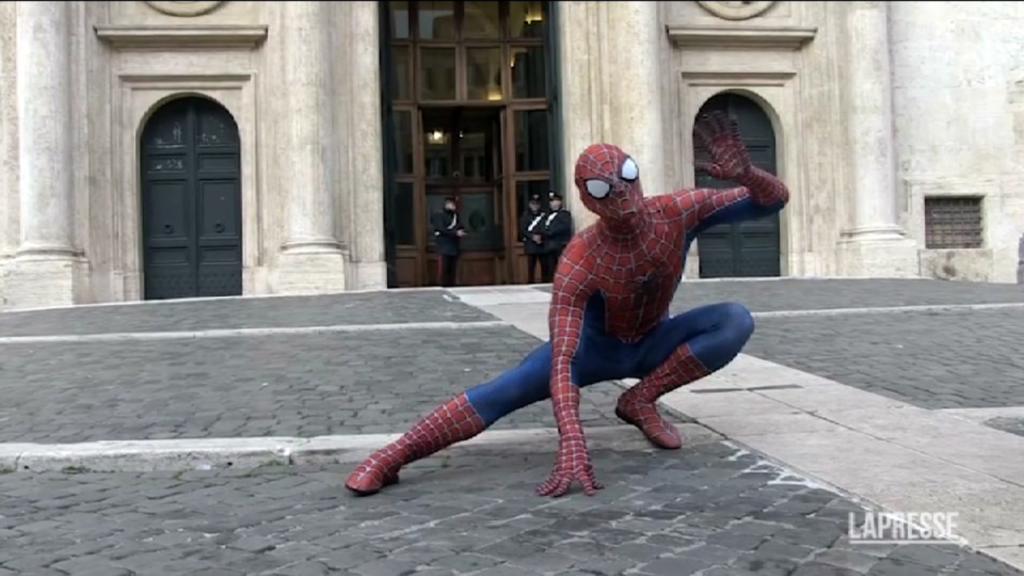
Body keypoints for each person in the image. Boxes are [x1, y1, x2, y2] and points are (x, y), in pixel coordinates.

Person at [345, 111, 789, 498]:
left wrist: (749, 174)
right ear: (586, 198)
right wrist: (572, 439)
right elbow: (562, 357)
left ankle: (640, 399)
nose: (620, 192)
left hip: (653, 338)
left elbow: (771, 201)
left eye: (626, 174)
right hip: (589, 352)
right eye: (602, 186)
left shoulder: (678, 210)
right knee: (502, 392)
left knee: (734, 319)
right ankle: (392, 455)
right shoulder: (581, 256)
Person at [430, 197, 466, 287]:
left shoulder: (455, 216)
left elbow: (460, 226)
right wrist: (455, 233)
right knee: (443, 270)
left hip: (454, 247)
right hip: (444, 247)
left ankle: (452, 286)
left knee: (452, 270)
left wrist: (462, 231)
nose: (453, 206)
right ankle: (442, 287)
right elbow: (441, 229)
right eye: (451, 204)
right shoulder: (439, 215)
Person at [542, 192, 573, 282]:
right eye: (551, 201)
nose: (553, 203)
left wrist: (550, 232)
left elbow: (564, 227)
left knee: (560, 266)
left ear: (560, 202)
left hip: (560, 244)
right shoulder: (547, 215)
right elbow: (542, 226)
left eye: (555, 201)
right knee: (550, 267)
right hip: (549, 246)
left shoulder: (564, 214)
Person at [519, 193, 548, 284]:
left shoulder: (544, 215)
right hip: (531, 244)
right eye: (533, 204)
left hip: (541, 244)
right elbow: (523, 229)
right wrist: (532, 236)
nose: (535, 206)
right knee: (531, 265)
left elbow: (546, 227)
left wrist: (541, 236)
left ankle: (545, 281)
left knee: (544, 265)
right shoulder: (525, 216)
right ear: (529, 204)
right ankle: (530, 281)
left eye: (537, 204)